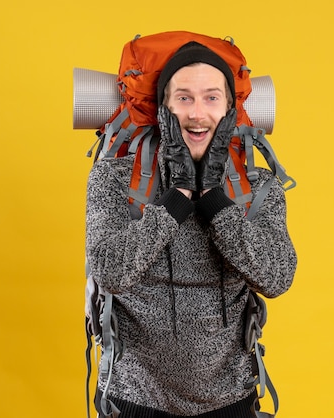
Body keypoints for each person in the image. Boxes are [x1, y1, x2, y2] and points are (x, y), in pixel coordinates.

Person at [85, 40, 297, 418]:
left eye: (211, 98)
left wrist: (214, 195)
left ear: (231, 110)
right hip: (134, 399)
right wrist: (178, 194)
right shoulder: (113, 179)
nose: (198, 114)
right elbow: (111, 272)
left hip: (231, 400)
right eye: (183, 98)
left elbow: (276, 277)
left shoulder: (259, 187)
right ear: (163, 110)